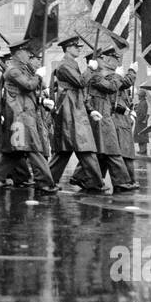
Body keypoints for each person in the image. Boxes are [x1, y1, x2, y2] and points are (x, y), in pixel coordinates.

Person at [0, 39, 57, 195]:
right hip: (20, 117)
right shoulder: (13, 70)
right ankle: (46, 183)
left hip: (24, 115)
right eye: (26, 52)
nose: (29, 55)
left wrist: (41, 99)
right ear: (18, 53)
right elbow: (28, 85)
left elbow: (28, 94)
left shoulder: (21, 70)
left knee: (12, 155)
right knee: (34, 150)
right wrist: (38, 76)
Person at [47, 34, 104, 191]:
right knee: (84, 147)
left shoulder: (71, 64)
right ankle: (95, 182)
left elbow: (80, 91)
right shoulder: (65, 65)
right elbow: (81, 82)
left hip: (74, 109)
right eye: (76, 47)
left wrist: (90, 110)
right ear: (68, 49)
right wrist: (90, 69)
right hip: (69, 111)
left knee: (65, 151)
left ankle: (47, 180)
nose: (79, 49)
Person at [84, 43, 131, 191]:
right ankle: (121, 182)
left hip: (104, 113)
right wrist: (119, 74)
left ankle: (83, 178)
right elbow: (111, 87)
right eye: (109, 58)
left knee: (102, 149)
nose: (111, 61)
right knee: (111, 148)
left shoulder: (99, 74)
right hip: (98, 113)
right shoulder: (95, 75)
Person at [134, 86, 151, 157]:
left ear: (141, 96)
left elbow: (143, 113)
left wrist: (139, 118)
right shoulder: (142, 102)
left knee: (142, 136)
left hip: (141, 122)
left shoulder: (143, 103)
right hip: (140, 122)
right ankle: (142, 149)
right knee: (139, 136)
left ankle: (143, 150)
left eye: (139, 95)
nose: (138, 96)